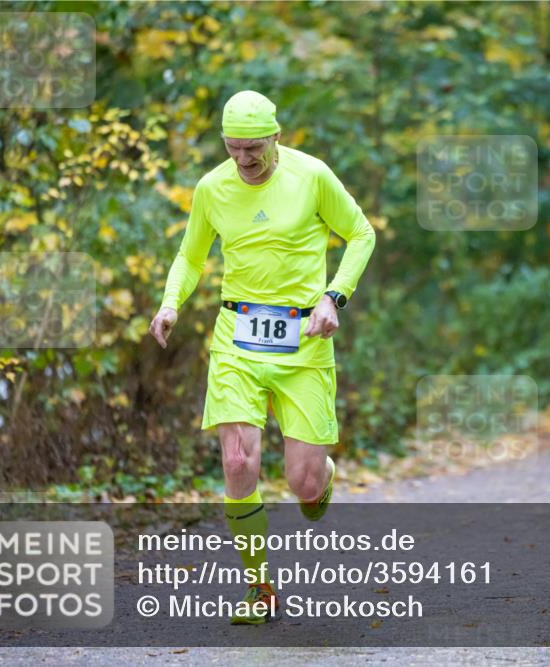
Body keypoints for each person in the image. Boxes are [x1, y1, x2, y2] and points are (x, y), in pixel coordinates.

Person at [148, 90, 376, 624]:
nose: (244, 160)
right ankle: (259, 587)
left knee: (305, 484)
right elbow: (190, 254)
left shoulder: (312, 175)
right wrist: (170, 304)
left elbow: (361, 233)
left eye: (254, 148)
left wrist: (333, 296)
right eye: (233, 149)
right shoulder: (212, 188)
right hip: (237, 337)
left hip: (304, 339)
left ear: (276, 137)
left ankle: (320, 476)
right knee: (237, 461)